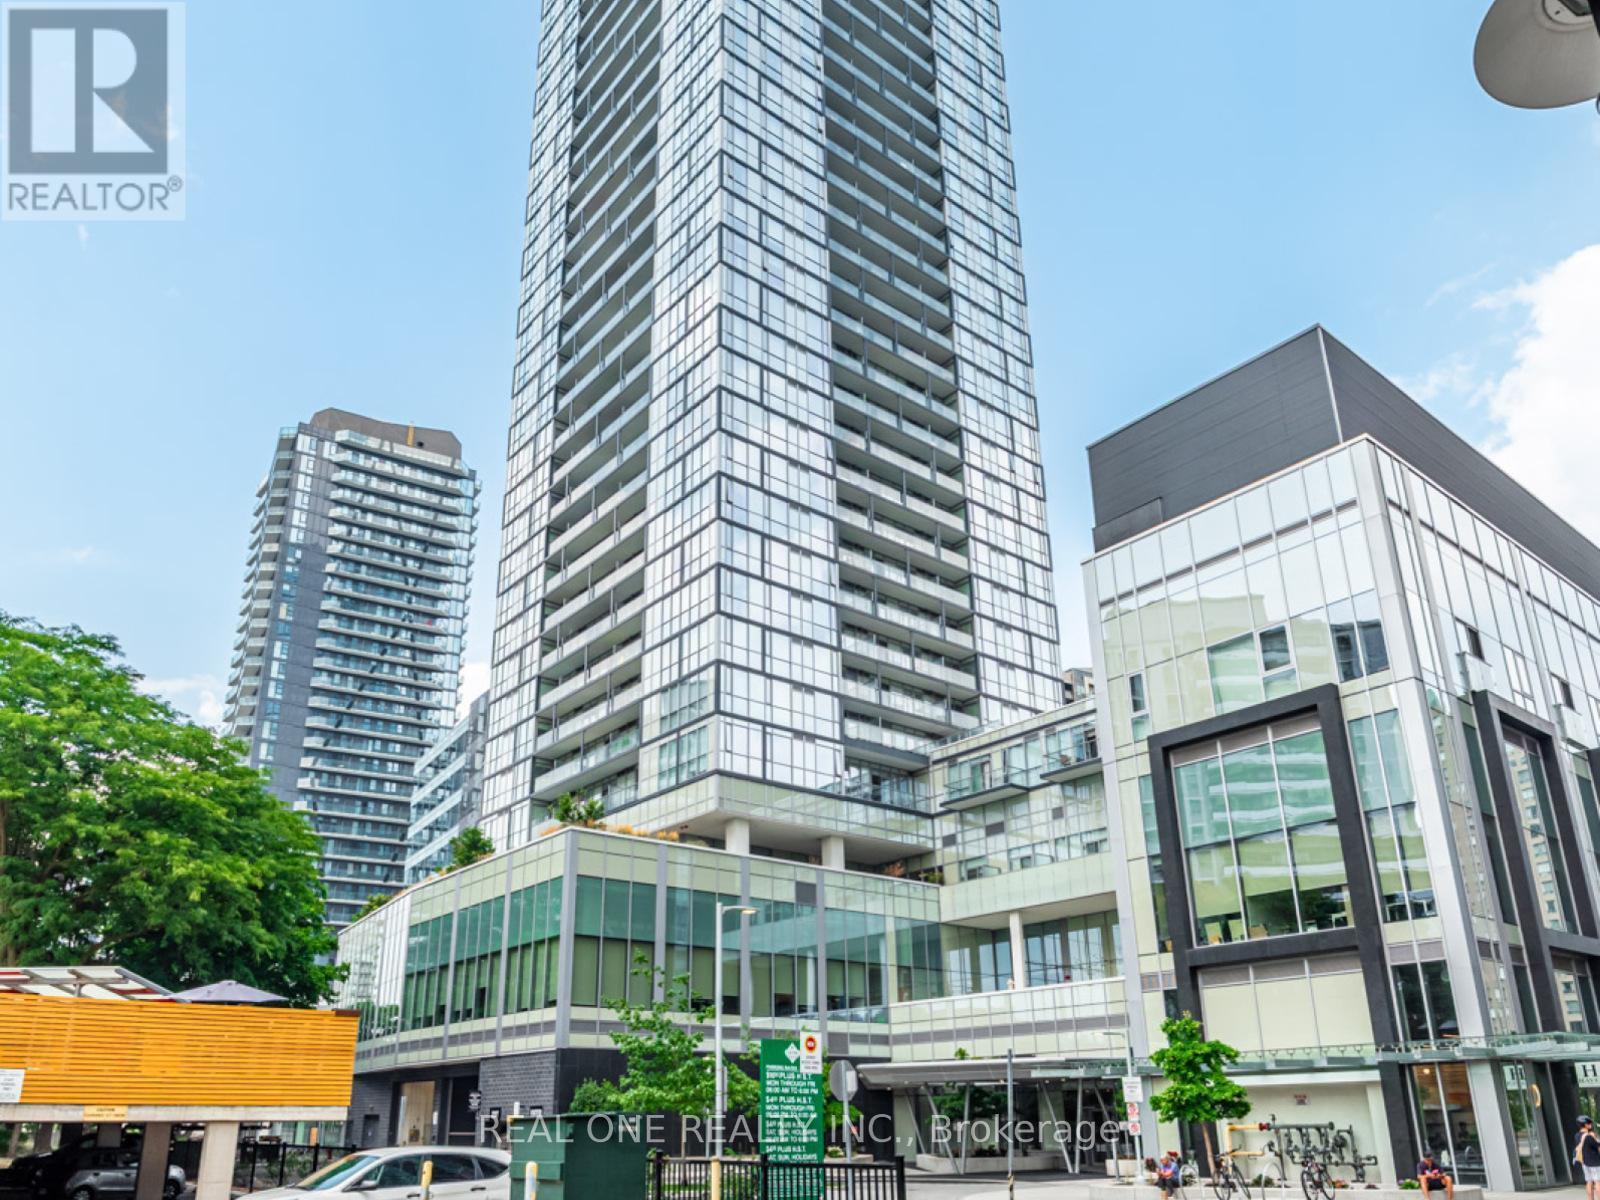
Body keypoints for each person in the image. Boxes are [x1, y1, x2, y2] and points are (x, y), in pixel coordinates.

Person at [1573, 1114, 1600, 1199]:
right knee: (1597, 1182)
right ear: (1585, 1124)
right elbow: (1597, 1146)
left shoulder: (1577, 1136)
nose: (1590, 1124)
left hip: (1584, 1162)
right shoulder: (1589, 1136)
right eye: (1589, 1123)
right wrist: (1595, 1138)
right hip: (1594, 1162)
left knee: (1589, 1182)